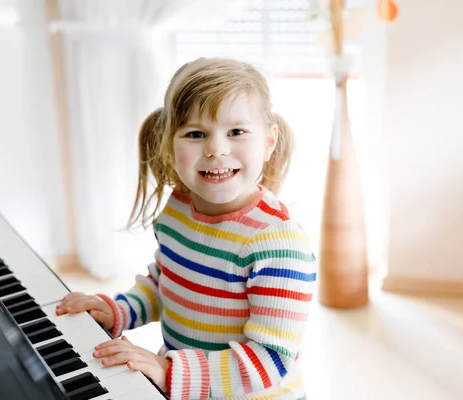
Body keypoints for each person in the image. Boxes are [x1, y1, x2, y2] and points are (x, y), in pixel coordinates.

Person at [56, 58, 317, 400]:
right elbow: (166, 282)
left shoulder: (279, 243)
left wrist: (167, 371)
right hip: (191, 389)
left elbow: (269, 362)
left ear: (268, 142)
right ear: (169, 145)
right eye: (196, 134)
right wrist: (119, 310)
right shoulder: (179, 206)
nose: (216, 149)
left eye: (236, 132)